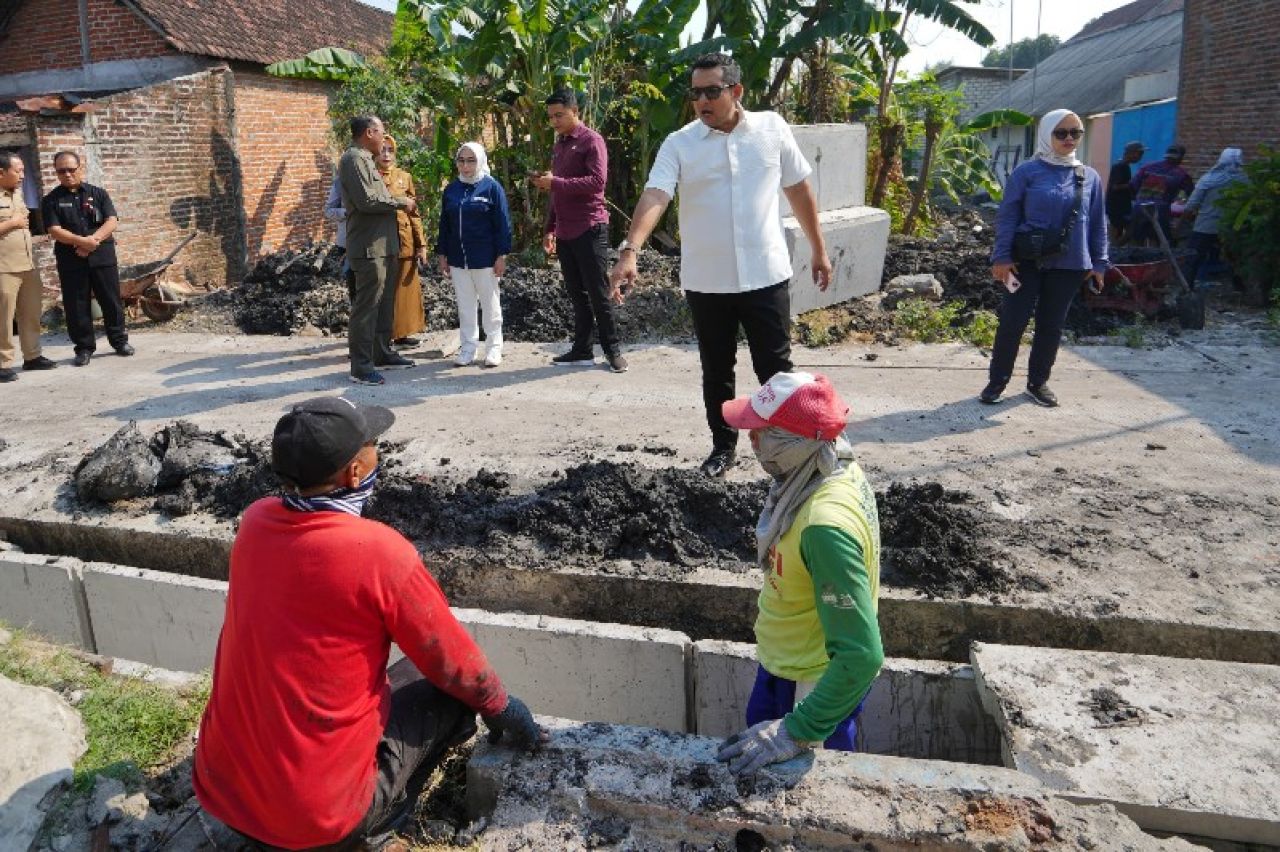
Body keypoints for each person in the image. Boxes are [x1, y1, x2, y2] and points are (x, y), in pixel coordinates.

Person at [193, 396, 546, 850]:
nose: (379, 452)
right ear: (355, 473)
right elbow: (452, 660)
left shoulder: (256, 521)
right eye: (373, 445)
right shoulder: (379, 552)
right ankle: (380, 822)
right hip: (316, 824)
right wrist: (501, 708)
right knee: (445, 689)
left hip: (225, 799)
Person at [609, 52, 833, 478]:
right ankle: (722, 449)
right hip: (707, 281)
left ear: (736, 91)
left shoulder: (771, 129)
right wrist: (631, 250)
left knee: (776, 371)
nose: (702, 101)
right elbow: (656, 195)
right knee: (717, 370)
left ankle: (785, 451)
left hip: (766, 274)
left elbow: (799, 190)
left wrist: (818, 249)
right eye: (696, 93)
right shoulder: (680, 143)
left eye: (712, 91)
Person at [712, 372, 882, 776]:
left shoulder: (825, 528)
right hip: (786, 667)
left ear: (794, 443)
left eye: (761, 431)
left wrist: (798, 730)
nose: (751, 439)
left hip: (809, 690)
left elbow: (861, 655)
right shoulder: (826, 466)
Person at [981, 109, 1108, 409]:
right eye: (1060, 133)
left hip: (1070, 265)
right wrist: (1001, 257)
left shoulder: (1089, 177)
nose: (1068, 139)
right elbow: (1008, 216)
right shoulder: (1027, 172)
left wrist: (1099, 263)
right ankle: (997, 381)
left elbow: (1098, 222)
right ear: (1046, 134)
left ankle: (1038, 383)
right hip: (1025, 263)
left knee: (1051, 326)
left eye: (1075, 133)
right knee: (1012, 322)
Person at [530, 89, 627, 374]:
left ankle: (613, 351)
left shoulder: (591, 141)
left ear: (575, 111)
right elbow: (556, 193)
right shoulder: (560, 144)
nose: (554, 121)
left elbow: (597, 182)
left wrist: (555, 182)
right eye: (550, 117)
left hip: (590, 227)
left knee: (598, 292)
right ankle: (582, 349)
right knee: (576, 293)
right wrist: (550, 227)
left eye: (559, 115)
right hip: (566, 231)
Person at [338, 116, 417, 386]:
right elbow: (368, 200)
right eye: (382, 133)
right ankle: (361, 367)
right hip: (369, 246)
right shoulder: (354, 160)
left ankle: (381, 353)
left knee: (384, 305)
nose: (385, 139)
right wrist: (400, 201)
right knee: (367, 307)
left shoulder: (365, 159)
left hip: (384, 245)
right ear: (369, 133)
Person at [40, 151, 132, 366]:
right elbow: (54, 230)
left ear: (80, 168)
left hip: (102, 256)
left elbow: (111, 220)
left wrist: (93, 241)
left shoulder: (98, 194)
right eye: (61, 171)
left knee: (110, 300)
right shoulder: (51, 200)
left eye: (71, 169)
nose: (67, 174)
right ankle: (83, 349)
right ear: (56, 173)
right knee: (76, 305)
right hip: (71, 259)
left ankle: (119, 342)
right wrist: (82, 243)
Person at [437, 142, 513, 368]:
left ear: (480, 161)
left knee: (490, 306)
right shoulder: (451, 190)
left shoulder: (491, 188)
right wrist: (442, 253)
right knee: (465, 306)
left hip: (485, 258)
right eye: (461, 160)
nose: (465, 165)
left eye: (471, 160)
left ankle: (494, 348)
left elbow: (503, 224)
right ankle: (468, 348)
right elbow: (445, 225)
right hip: (459, 259)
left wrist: (502, 255)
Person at [1, 151, 55, 382]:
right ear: (1, 173)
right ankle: (3, 364)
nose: (22, 175)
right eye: (18, 171)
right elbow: (17, 223)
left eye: (23, 170)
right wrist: (12, 223)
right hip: (3, 268)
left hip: (27, 264)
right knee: (3, 318)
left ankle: (32, 356)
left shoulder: (18, 194)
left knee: (31, 313)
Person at [375, 135, 428, 347]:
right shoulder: (370, 177)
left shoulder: (404, 177)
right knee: (382, 290)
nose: (386, 154)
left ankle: (402, 333)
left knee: (406, 290)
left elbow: (414, 213)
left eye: (390, 150)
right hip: (381, 241)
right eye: (382, 150)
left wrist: (421, 244)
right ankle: (382, 336)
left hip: (405, 240)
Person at [1183, 147, 1246, 285]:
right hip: (1232, 227)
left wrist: (1187, 220)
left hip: (1205, 225)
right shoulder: (1244, 180)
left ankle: (1186, 287)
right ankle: (1239, 287)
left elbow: (1190, 205)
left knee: (1192, 258)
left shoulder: (1208, 179)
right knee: (1235, 258)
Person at [1128, 143, 1194, 246]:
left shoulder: (1147, 167)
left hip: (1139, 208)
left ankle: (1133, 260)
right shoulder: (1181, 174)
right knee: (1156, 241)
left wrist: (1141, 199)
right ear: (1180, 158)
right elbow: (1192, 195)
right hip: (1159, 211)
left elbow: (1132, 186)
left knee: (1136, 242)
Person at [1105, 140, 1145, 245]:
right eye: (1139, 154)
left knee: (1122, 233)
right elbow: (1115, 187)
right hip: (1117, 207)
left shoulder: (1124, 166)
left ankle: (1114, 250)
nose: (1141, 156)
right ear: (1130, 153)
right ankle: (1114, 251)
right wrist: (1134, 183)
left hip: (1120, 206)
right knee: (1128, 231)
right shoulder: (1121, 166)